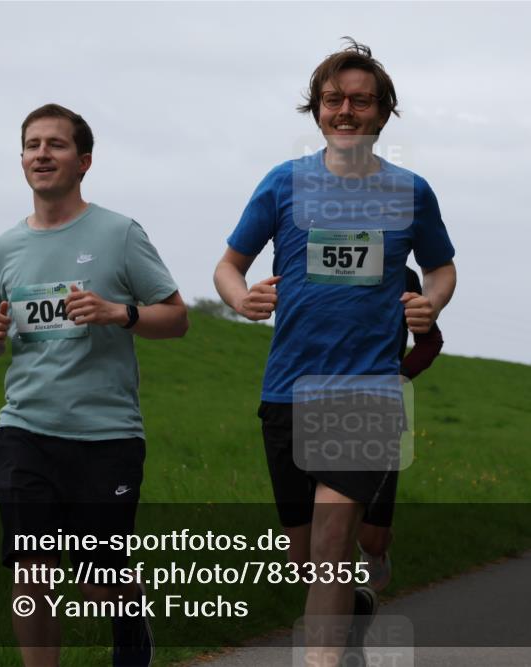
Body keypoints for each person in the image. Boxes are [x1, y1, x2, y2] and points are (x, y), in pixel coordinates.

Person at [214, 39, 456, 665]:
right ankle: (355, 613)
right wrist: (241, 298)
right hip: (286, 387)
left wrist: (432, 303)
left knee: (330, 542)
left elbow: (443, 268)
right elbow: (228, 266)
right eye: (333, 99)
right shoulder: (284, 183)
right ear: (317, 109)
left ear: (382, 112)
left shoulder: (410, 191)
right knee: (307, 557)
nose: (345, 110)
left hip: (365, 389)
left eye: (360, 101)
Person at [0, 103, 188, 667]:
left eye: (56, 144)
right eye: (32, 145)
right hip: (26, 429)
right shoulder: (4, 248)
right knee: (32, 570)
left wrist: (120, 313)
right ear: (22, 160)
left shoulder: (119, 234)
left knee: (98, 580)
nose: (42, 154)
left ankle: (131, 634)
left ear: (84, 161)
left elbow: (177, 316)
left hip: (106, 435)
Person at [357, 267, 445, 592]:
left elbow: (430, 341)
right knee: (324, 531)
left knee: (371, 538)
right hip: (318, 401)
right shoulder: (314, 263)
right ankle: (341, 617)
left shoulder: (403, 277)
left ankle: (376, 551)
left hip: (382, 410)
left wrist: (402, 373)